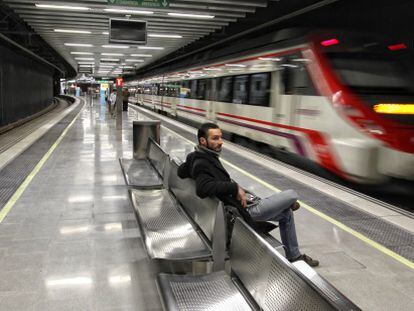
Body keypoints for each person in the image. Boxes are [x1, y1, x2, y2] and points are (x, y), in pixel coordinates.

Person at [177, 122, 319, 267]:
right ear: (203, 141)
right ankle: (293, 248)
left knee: (286, 213)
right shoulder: (202, 162)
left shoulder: (197, 156)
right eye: (215, 138)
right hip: (242, 212)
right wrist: (234, 187)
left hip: (238, 205)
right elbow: (202, 188)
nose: (220, 142)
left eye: (220, 138)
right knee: (291, 194)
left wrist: (190, 161)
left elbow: (180, 171)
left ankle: (294, 256)